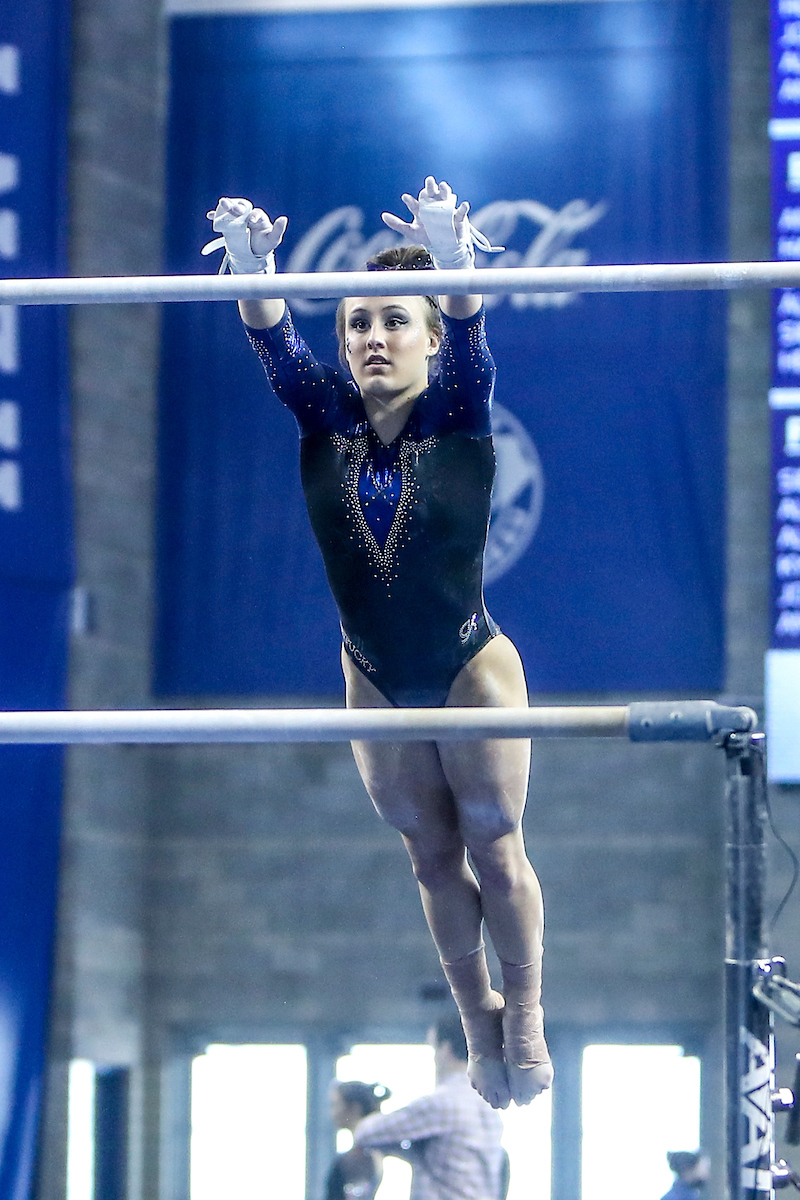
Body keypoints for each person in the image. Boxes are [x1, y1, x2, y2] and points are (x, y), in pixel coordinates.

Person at [204, 177, 553, 1109]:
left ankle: (523, 1014)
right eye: (357, 324)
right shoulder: (323, 414)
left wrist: (454, 263)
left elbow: (474, 331)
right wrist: (252, 271)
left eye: (395, 322)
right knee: (430, 856)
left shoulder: (460, 410)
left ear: (430, 340)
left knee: (493, 842)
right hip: (375, 675)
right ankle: (474, 1015)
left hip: (471, 665)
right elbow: (274, 343)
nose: (371, 338)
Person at [352, 1015, 506, 1200]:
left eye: (433, 1049)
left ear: (446, 1049)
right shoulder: (488, 1105)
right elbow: (450, 1160)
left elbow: (365, 1132)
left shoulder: (441, 1103)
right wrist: (415, 1150)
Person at [325, 1080, 391, 1200]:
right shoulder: (376, 1152)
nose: (331, 1113)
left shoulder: (358, 1158)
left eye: (335, 1104)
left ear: (354, 1107)